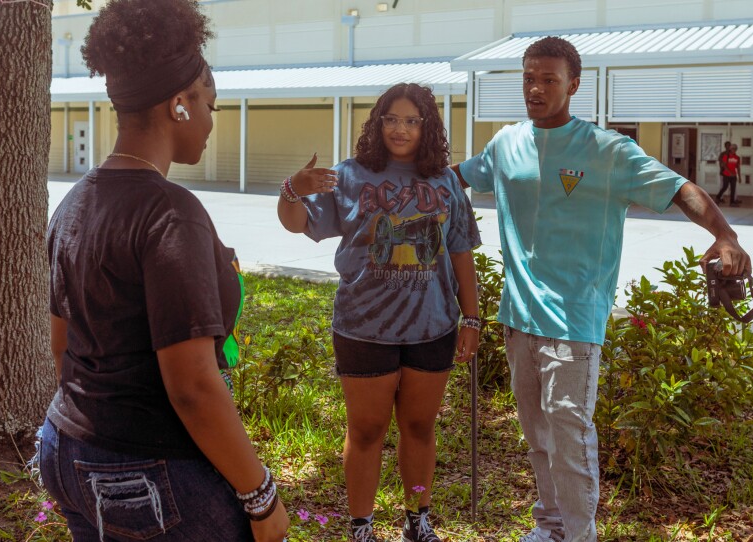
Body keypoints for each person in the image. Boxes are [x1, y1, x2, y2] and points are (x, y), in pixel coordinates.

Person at [452, 37, 752, 542]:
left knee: (569, 438)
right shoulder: (505, 144)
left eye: (548, 79)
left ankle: (579, 534)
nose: (536, 88)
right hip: (517, 320)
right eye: (529, 77)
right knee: (537, 437)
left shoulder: (607, 151)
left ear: (573, 84)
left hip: (574, 323)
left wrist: (726, 235)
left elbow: (680, 188)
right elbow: (451, 180)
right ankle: (549, 527)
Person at [39, 1, 288, 540]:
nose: (210, 122)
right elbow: (193, 386)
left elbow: (63, 346)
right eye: (210, 105)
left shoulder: (74, 204)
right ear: (180, 105)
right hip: (147, 472)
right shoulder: (171, 213)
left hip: (65, 447)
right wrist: (262, 496)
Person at [277, 83, 481, 542]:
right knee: (366, 431)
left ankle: (417, 519)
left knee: (419, 428)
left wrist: (471, 317)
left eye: (412, 120)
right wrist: (292, 189)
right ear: (378, 123)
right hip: (363, 326)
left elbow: (461, 251)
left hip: (432, 326)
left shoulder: (445, 180)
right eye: (392, 119)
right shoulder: (350, 175)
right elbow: (298, 223)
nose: (401, 129)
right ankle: (361, 527)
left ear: (426, 127)